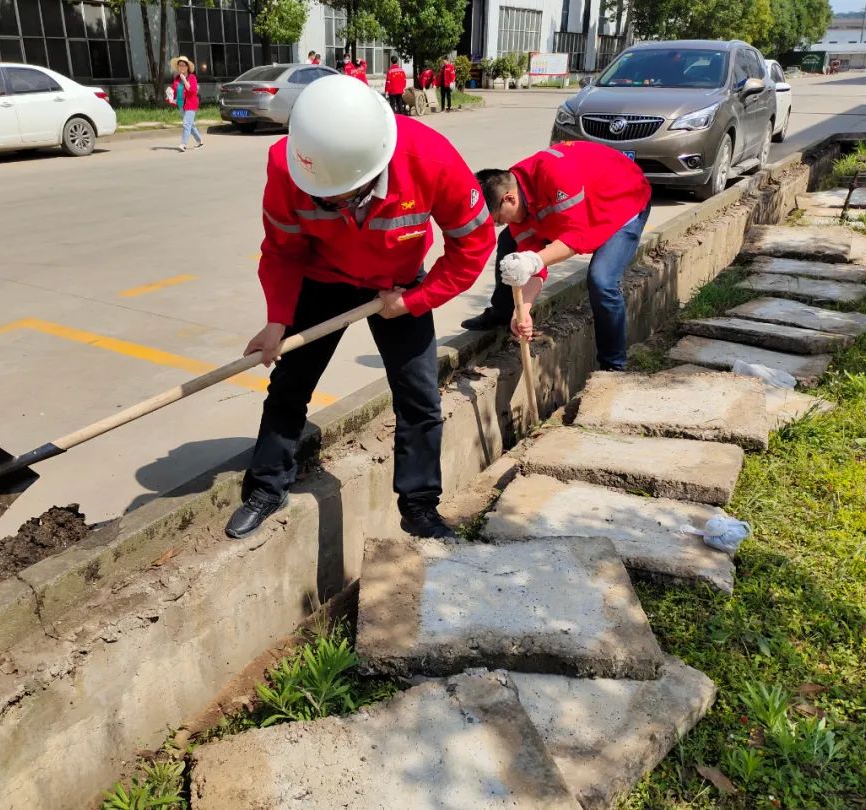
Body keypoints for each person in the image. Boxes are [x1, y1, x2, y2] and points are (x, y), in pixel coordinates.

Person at [225, 74, 494, 541]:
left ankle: (420, 507)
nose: (331, 203)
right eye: (322, 196)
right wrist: (277, 320)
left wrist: (415, 300)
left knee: (419, 398)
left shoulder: (428, 158)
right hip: (323, 280)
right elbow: (283, 252)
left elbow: (473, 243)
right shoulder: (289, 166)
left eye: (341, 194)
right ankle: (267, 487)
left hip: (397, 285)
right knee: (289, 384)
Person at [465, 143, 651, 371]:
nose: (500, 224)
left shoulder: (553, 173)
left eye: (498, 219)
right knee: (509, 242)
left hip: (623, 202)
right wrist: (522, 312)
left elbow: (577, 237)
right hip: (586, 208)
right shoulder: (518, 206)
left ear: (509, 199)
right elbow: (534, 268)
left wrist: (534, 260)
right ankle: (503, 314)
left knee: (602, 282)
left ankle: (613, 368)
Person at [169, 56, 204, 152]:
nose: (181, 67)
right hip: (181, 104)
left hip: (191, 104)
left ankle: (183, 144)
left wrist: (184, 79)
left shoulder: (192, 77)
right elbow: (175, 90)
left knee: (186, 124)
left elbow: (192, 90)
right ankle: (200, 141)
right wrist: (170, 96)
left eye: (184, 65)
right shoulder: (176, 78)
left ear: (187, 67)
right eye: (180, 65)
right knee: (191, 125)